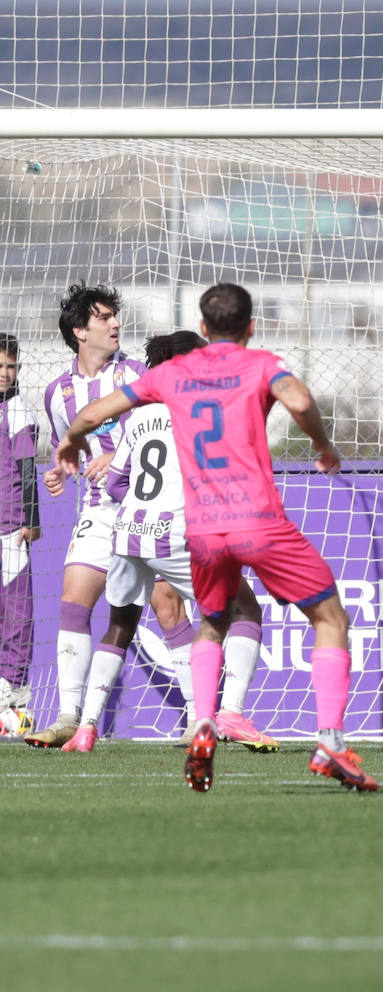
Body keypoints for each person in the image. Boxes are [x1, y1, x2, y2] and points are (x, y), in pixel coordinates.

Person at [55, 283, 377, 792]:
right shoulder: (262, 363)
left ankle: (202, 721)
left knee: (211, 621)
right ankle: (331, 741)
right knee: (331, 617)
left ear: (204, 328)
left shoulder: (171, 373)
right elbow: (300, 398)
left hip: (201, 529)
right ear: (250, 327)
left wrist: (71, 443)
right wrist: (322, 443)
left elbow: (94, 414)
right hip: (258, 520)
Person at [61, 332, 275, 754]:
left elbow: (117, 481)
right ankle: (229, 712)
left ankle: (86, 727)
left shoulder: (137, 416)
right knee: (244, 608)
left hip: (128, 534)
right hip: (178, 534)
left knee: (120, 624)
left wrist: (145, 505)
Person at [27, 283, 186, 748]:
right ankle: (67, 715)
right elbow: (70, 447)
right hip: (98, 511)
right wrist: (61, 470)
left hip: (146, 508)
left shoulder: (137, 375)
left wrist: (121, 459)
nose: (116, 323)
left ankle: (204, 716)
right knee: (73, 602)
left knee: (168, 608)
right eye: (104, 317)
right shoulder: (57, 393)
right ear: (80, 331)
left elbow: (162, 437)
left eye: (115, 315)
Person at [0, 333, 40, 735]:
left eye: (10, 367)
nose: (5, 374)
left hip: (10, 529)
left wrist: (32, 520)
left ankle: (12, 695)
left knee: (16, 614)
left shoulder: (19, 412)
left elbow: (28, 473)